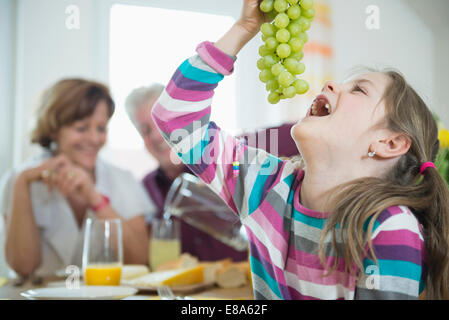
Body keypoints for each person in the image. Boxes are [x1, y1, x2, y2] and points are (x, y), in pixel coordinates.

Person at [151, 0, 449, 299]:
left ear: (389, 143)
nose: (332, 84)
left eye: (358, 89)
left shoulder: (389, 230)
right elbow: (176, 118)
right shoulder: (263, 184)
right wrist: (243, 29)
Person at [125, 84, 297, 263]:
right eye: (145, 130)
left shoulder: (223, 156)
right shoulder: (146, 187)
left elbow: (293, 134)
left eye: (162, 127)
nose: (156, 136)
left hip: (245, 282)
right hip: (194, 289)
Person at [0, 78, 154, 278]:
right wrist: (21, 184)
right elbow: (23, 267)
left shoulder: (123, 179)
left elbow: (140, 259)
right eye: (81, 128)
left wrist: (94, 197)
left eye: (101, 128)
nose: (94, 139)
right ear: (54, 129)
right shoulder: (19, 179)